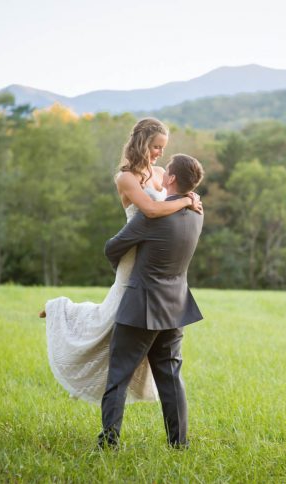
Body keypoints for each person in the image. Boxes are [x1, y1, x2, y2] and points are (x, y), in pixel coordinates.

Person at [41, 118, 202, 405]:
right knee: (108, 319)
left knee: (119, 326)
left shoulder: (163, 173)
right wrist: (186, 202)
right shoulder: (126, 178)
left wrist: (190, 195)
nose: (159, 154)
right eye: (155, 146)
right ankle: (60, 311)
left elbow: (173, 200)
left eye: (163, 148)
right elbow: (152, 209)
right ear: (141, 143)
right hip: (134, 258)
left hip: (157, 258)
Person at [98, 153, 205, 450]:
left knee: (118, 376)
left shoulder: (152, 217)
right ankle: (179, 443)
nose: (161, 173)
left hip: (141, 305)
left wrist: (125, 269)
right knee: (170, 377)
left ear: (171, 178)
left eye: (166, 171)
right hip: (176, 306)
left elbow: (113, 247)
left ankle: (109, 443)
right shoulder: (198, 212)